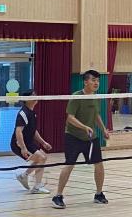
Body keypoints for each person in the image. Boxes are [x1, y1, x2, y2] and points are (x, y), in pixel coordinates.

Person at [51, 70, 110, 209]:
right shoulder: (76, 96)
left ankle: (99, 194)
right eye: (93, 80)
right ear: (85, 82)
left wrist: (103, 129)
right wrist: (84, 127)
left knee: (99, 164)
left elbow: (96, 115)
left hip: (90, 137)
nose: (96, 83)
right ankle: (58, 196)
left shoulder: (96, 97)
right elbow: (70, 118)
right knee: (69, 165)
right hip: (73, 136)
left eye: (98, 81)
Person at [11, 90, 52, 194]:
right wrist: (23, 148)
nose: (36, 97)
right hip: (19, 144)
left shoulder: (32, 113)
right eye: (33, 95)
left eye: (35, 95)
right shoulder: (23, 113)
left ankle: (23, 176)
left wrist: (43, 143)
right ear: (26, 99)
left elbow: (33, 131)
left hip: (29, 143)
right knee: (41, 158)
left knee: (43, 158)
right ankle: (36, 187)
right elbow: (18, 131)